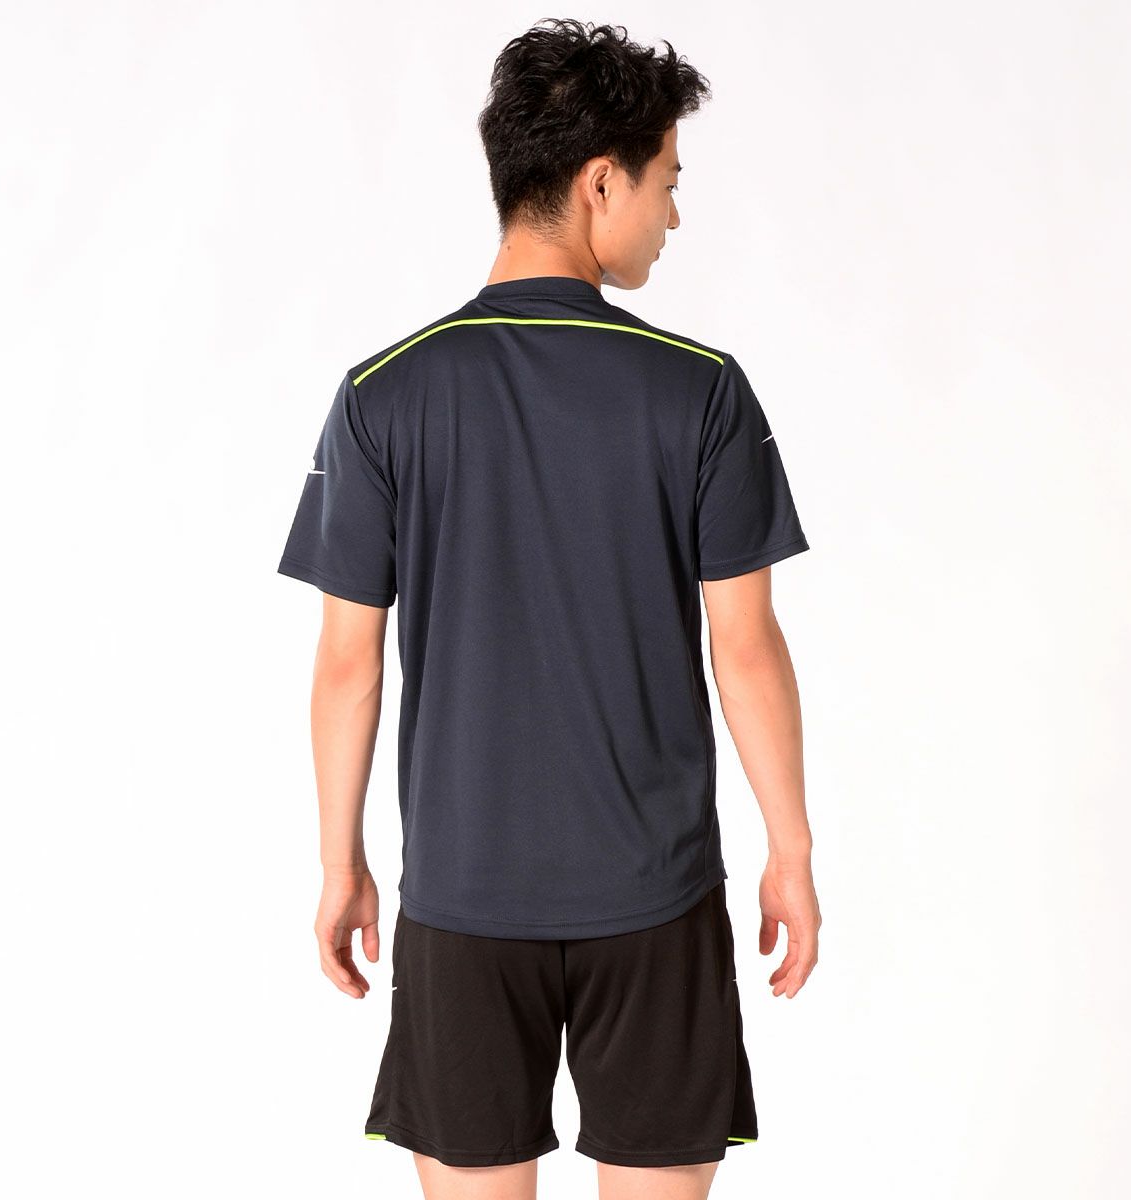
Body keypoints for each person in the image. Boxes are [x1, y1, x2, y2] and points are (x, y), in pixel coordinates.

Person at [276, 18, 822, 1200]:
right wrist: (791, 849)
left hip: (464, 902)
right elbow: (745, 648)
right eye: (668, 182)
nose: (673, 215)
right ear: (599, 182)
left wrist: (340, 862)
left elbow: (347, 664)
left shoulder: (382, 396)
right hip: (657, 900)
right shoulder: (702, 392)